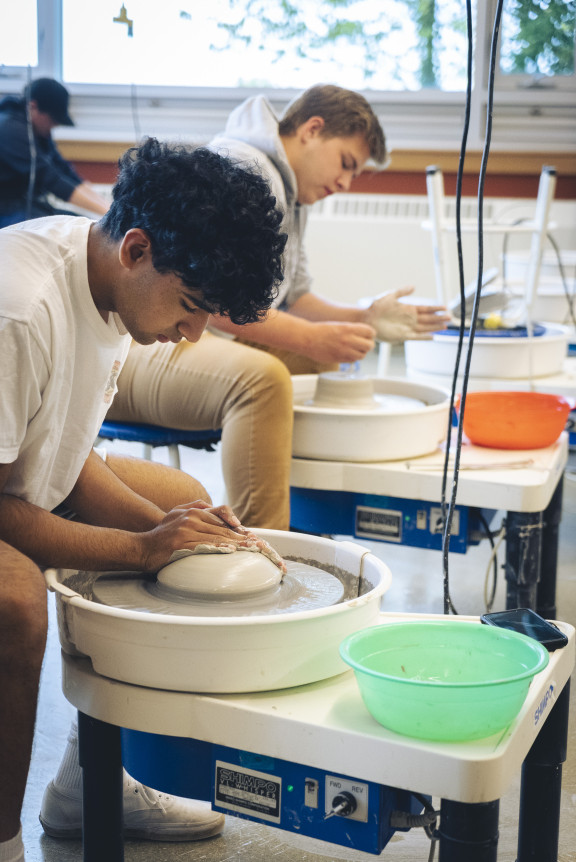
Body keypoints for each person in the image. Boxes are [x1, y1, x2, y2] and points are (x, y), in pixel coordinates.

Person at [0, 137, 286, 862]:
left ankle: (88, 781)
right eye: (191, 307)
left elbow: (60, 451)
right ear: (136, 248)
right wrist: (140, 548)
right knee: (16, 598)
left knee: (182, 496)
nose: (190, 335)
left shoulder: (114, 287)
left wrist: (166, 524)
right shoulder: (22, 309)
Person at [107, 84, 450, 531]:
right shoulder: (250, 170)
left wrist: (363, 318)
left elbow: (295, 298)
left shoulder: (291, 191)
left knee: (321, 362)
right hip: (150, 334)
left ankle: (310, 522)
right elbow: (213, 300)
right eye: (346, 163)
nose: (346, 182)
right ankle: (264, 546)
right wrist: (314, 337)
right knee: (264, 381)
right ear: (312, 130)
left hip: (191, 328)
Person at [0, 77, 109, 228]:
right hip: (6, 209)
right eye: (53, 119)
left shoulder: (38, 130)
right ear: (33, 106)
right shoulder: (9, 129)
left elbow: (64, 171)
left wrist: (110, 209)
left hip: (27, 203)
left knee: (83, 224)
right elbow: (51, 180)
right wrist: (110, 214)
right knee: (67, 229)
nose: (55, 125)